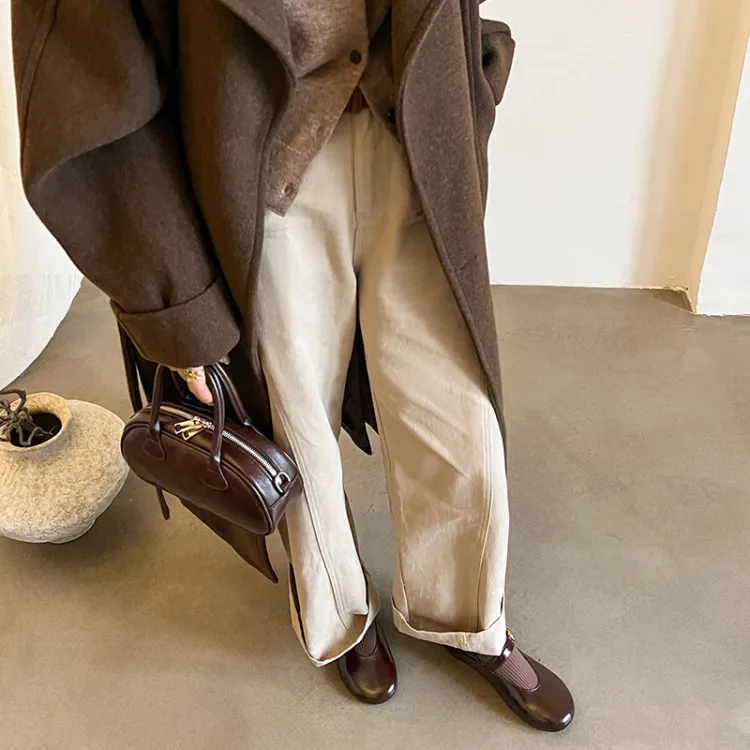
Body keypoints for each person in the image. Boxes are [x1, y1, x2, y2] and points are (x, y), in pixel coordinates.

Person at [12, 0, 574, 731]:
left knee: (456, 406)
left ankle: (465, 616)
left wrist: (473, 76)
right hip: (263, 166)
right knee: (294, 419)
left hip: (411, 135)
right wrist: (175, 306)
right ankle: (339, 615)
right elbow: (87, 74)